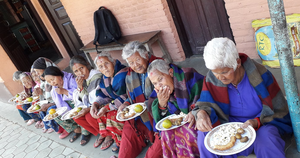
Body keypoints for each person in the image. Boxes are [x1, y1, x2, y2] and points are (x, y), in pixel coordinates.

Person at [192, 37, 292, 158]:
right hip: (227, 124)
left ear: (237, 63)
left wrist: (256, 122)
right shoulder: (211, 78)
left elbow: (278, 108)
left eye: (224, 72)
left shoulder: (260, 74)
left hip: (260, 124)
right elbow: (204, 104)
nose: (219, 77)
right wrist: (201, 113)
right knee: (205, 137)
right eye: (215, 72)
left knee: (267, 139)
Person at [148, 59, 203, 158]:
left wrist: (195, 110)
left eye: (160, 79)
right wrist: (162, 104)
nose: (159, 85)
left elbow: (205, 96)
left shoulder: (189, 75)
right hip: (180, 122)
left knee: (190, 132)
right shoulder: (159, 93)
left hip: (197, 118)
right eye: (155, 83)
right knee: (165, 133)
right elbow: (163, 118)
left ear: (170, 73)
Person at [74, 52, 127, 152]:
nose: (105, 68)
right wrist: (95, 104)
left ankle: (122, 139)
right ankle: (113, 136)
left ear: (113, 62)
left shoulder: (122, 74)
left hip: (128, 104)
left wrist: (106, 107)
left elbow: (125, 97)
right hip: (116, 103)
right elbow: (103, 94)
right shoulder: (105, 77)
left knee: (109, 114)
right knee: (97, 112)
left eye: (107, 63)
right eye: (101, 66)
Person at [118, 41, 163, 158]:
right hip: (141, 117)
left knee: (153, 154)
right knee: (128, 130)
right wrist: (125, 104)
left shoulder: (159, 67)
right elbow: (130, 97)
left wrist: (148, 104)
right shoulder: (130, 75)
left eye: (138, 60)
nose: (135, 65)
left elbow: (168, 96)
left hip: (160, 115)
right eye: (131, 62)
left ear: (146, 55)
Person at [70, 55, 102, 146]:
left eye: (82, 68)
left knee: (89, 116)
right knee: (76, 116)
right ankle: (100, 132)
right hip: (92, 105)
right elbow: (86, 98)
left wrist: (88, 109)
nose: (80, 72)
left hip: (102, 102)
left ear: (87, 65)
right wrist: (80, 87)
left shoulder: (96, 76)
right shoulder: (85, 79)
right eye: (76, 71)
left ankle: (108, 134)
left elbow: (95, 98)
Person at [44, 66, 82, 141]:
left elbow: (79, 93)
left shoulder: (70, 79)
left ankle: (84, 128)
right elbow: (57, 102)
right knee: (54, 113)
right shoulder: (54, 88)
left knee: (72, 105)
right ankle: (76, 129)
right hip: (66, 106)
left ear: (59, 75)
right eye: (49, 82)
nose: (52, 83)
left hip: (76, 102)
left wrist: (65, 92)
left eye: (53, 79)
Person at [32, 58, 60, 134]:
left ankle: (58, 128)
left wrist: (49, 104)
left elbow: (60, 97)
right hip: (53, 101)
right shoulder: (44, 80)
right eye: (36, 72)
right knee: (41, 108)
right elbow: (47, 95)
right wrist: (41, 93)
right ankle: (48, 125)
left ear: (45, 68)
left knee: (49, 109)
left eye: (38, 71)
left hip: (60, 102)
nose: (37, 74)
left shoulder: (56, 77)